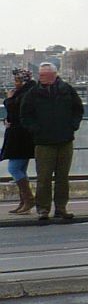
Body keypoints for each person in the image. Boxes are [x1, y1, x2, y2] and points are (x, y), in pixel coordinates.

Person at [20, 62, 84, 222]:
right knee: (44, 177)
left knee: (63, 177)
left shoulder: (67, 90)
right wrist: (35, 129)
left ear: (53, 75)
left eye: (43, 75)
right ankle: (43, 209)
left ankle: (61, 208)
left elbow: (78, 109)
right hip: (43, 142)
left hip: (65, 139)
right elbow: (25, 115)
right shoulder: (33, 93)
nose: (40, 77)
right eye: (40, 74)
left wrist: (73, 126)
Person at [1, 68, 36, 214]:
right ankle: (24, 201)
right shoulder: (28, 91)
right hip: (22, 136)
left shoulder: (26, 94)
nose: (15, 83)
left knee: (14, 168)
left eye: (17, 80)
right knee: (20, 169)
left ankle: (28, 199)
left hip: (20, 137)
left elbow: (17, 110)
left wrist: (8, 99)